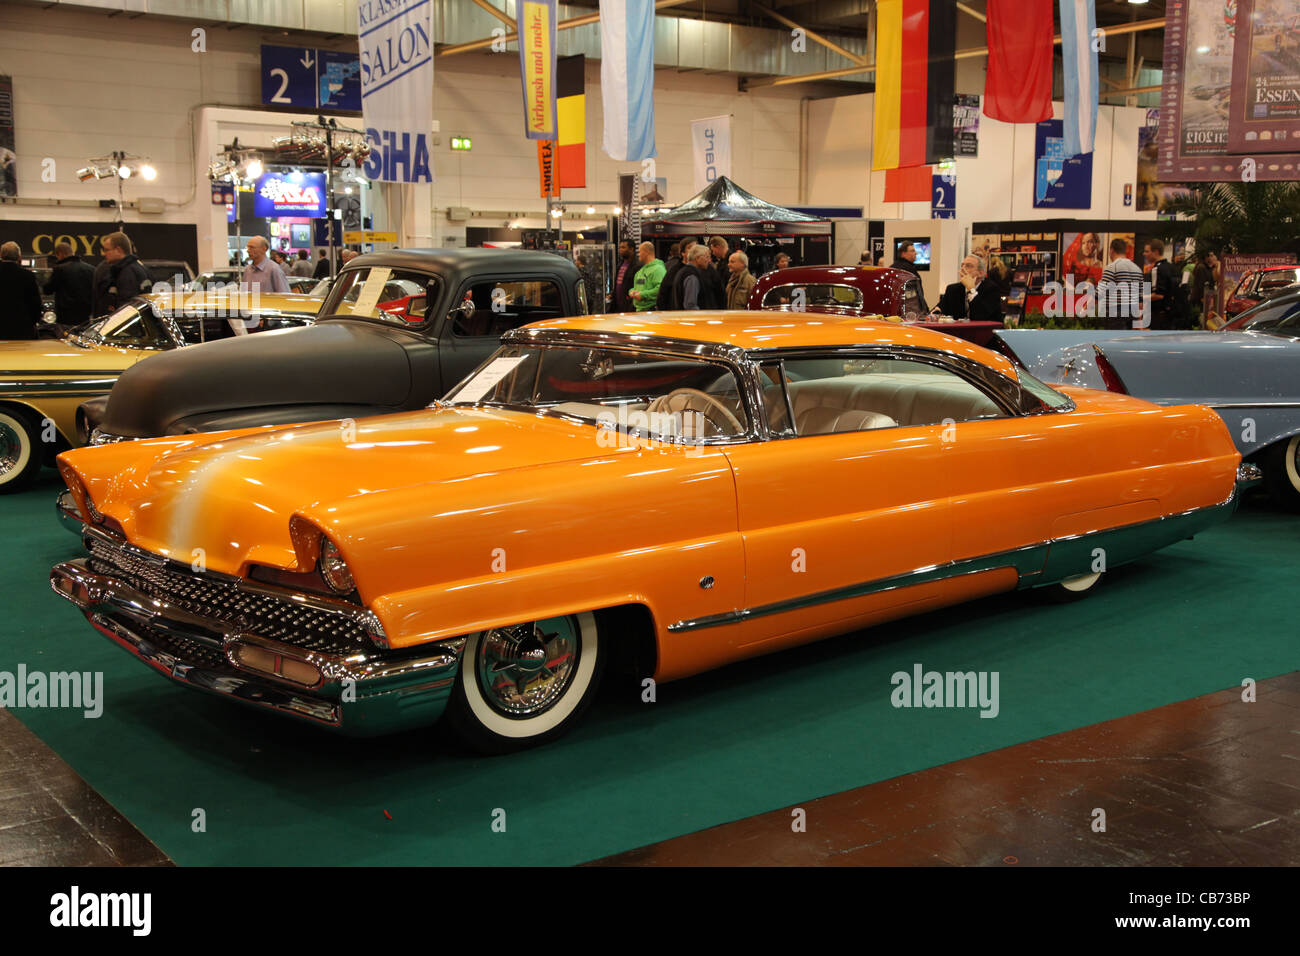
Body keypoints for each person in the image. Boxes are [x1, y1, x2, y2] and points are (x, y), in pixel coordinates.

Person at [92, 231, 152, 315]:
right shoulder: (142, 268)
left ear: (118, 250)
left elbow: (125, 308)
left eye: (106, 250)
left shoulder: (126, 272)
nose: (104, 254)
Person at [936, 256, 1002, 323]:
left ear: (981, 273)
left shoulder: (992, 289)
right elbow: (939, 310)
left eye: (968, 266)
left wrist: (971, 290)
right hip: (956, 331)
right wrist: (935, 314)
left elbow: (982, 315)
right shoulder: (952, 289)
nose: (963, 269)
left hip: (983, 331)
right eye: (962, 265)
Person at [44, 240, 95, 325]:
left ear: (59, 254)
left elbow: (48, 290)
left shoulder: (59, 269)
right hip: (85, 314)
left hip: (65, 316)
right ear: (72, 252)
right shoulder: (91, 269)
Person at [1097, 237, 1144, 329]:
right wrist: (1139, 322)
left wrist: (1084, 308)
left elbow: (1100, 293)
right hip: (1133, 313)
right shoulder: (1137, 269)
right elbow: (1140, 300)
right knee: (1128, 342)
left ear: (1111, 250)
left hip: (1115, 313)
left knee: (1114, 341)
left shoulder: (1112, 267)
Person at [0, 241, 42, 339]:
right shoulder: (28, 276)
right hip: (21, 326)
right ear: (19, 257)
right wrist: (34, 321)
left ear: (1, 255)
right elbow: (35, 303)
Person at [1143, 238, 1180, 330]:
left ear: (1155, 252)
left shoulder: (1157, 269)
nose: (1144, 254)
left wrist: (1141, 298)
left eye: (1147, 251)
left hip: (1159, 316)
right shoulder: (1172, 267)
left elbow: (1159, 295)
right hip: (1172, 315)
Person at [679, 244, 724, 310]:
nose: (709, 261)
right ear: (697, 258)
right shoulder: (692, 276)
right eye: (707, 257)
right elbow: (690, 305)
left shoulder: (683, 271)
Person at [890, 241, 930, 312]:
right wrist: (925, 310)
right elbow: (916, 293)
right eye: (912, 251)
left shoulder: (892, 268)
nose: (916, 253)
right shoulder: (909, 270)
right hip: (910, 311)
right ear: (903, 254)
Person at [628, 241, 665, 311]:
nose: (638, 255)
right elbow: (637, 288)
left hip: (652, 311)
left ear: (647, 252)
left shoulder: (658, 269)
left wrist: (642, 295)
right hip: (639, 310)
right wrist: (631, 292)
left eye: (639, 252)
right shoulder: (640, 271)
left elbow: (660, 289)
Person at [662, 237, 697, 310]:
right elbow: (663, 293)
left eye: (696, 247)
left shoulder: (704, 268)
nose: (694, 250)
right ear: (682, 253)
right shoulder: (674, 270)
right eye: (690, 248)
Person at [611, 240, 636, 312]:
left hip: (629, 306)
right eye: (620, 248)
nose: (620, 250)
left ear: (631, 249)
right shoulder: (620, 265)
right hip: (618, 306)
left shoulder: (637, 266)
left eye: (623, 247)